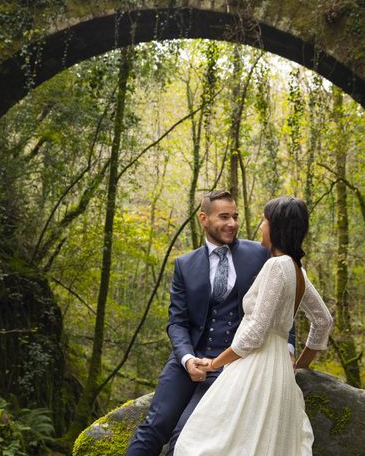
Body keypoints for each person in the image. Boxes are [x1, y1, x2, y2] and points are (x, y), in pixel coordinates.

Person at [125, 190, 295, 456]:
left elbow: (282, 305)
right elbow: (177, 322)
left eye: (235, 216)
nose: (233, 223)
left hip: (233, 365)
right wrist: (187, 359)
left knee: (186, 436)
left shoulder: (260, 255)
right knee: (153, 427)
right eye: (224, 216)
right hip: (188, 359)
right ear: (204, 218)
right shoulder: (184, 264)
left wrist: (288, 349)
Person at [174, 196, 334, 455]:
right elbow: (323, 321)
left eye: (265, 220)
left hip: (255, 367)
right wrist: (299, 365)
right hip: (279, 368)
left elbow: (256, 332)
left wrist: (214, 363)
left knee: (201, 442)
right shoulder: (297, 270)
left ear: (276, 228)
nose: (261, 226)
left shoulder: (276, 266)